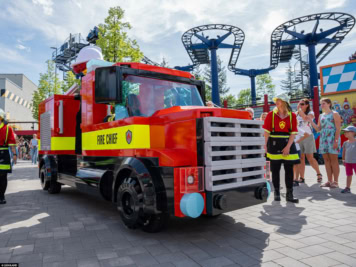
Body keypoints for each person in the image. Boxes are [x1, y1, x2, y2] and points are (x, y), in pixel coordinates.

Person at [263, 93, 300, 203]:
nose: (276, 102)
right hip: (274, 144)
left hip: (287, 143)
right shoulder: (271, 115)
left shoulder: (292, 115)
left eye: (279, 100)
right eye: (276, 100)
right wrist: (264, 146)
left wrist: (288, 147)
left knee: (289, 170)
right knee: (275, 170)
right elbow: (266, 133)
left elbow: (293, 133)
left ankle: (289, 195)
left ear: (284, 102)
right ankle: (277, 194)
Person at [308, 98, 341, 188]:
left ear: (329, 104)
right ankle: (329, 181)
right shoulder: (321, 115)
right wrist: (311, 121)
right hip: (324, 139)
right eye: (321, 104)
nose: (322, 105)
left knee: (334, 160)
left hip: (333, 138)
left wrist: (336, 141)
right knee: (326, 160)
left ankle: (336, 182)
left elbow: (338, 128)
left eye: (324, 103)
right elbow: (318, 129)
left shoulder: (335, 114)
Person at [296, 99, 322, 183]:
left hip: (308, 136)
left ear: (307, 105)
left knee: (310, 157)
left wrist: (300, 110)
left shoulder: (311, 113)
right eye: (300, 103)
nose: (301, 105)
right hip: (299, 137)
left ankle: (318, 173)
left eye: (302, 104)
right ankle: (302, 177)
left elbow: (306, 118)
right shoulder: (296, 113)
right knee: (301, 158)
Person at [0, 109, 17, 204]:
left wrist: (14, 154)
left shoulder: (7, 128)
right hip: (4, 154)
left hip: (3, 153)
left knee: (3, 177)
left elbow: (11, 143)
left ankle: (2, 196)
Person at [341, 126, 356, 193]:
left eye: (347, 132)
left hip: (355, 162)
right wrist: (343, 160)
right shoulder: (345, 143)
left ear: (353, 133)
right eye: (344, 132)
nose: (345, 133)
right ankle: (347, 188)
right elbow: (344, 152)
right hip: (348, 162)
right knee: (348, 174)